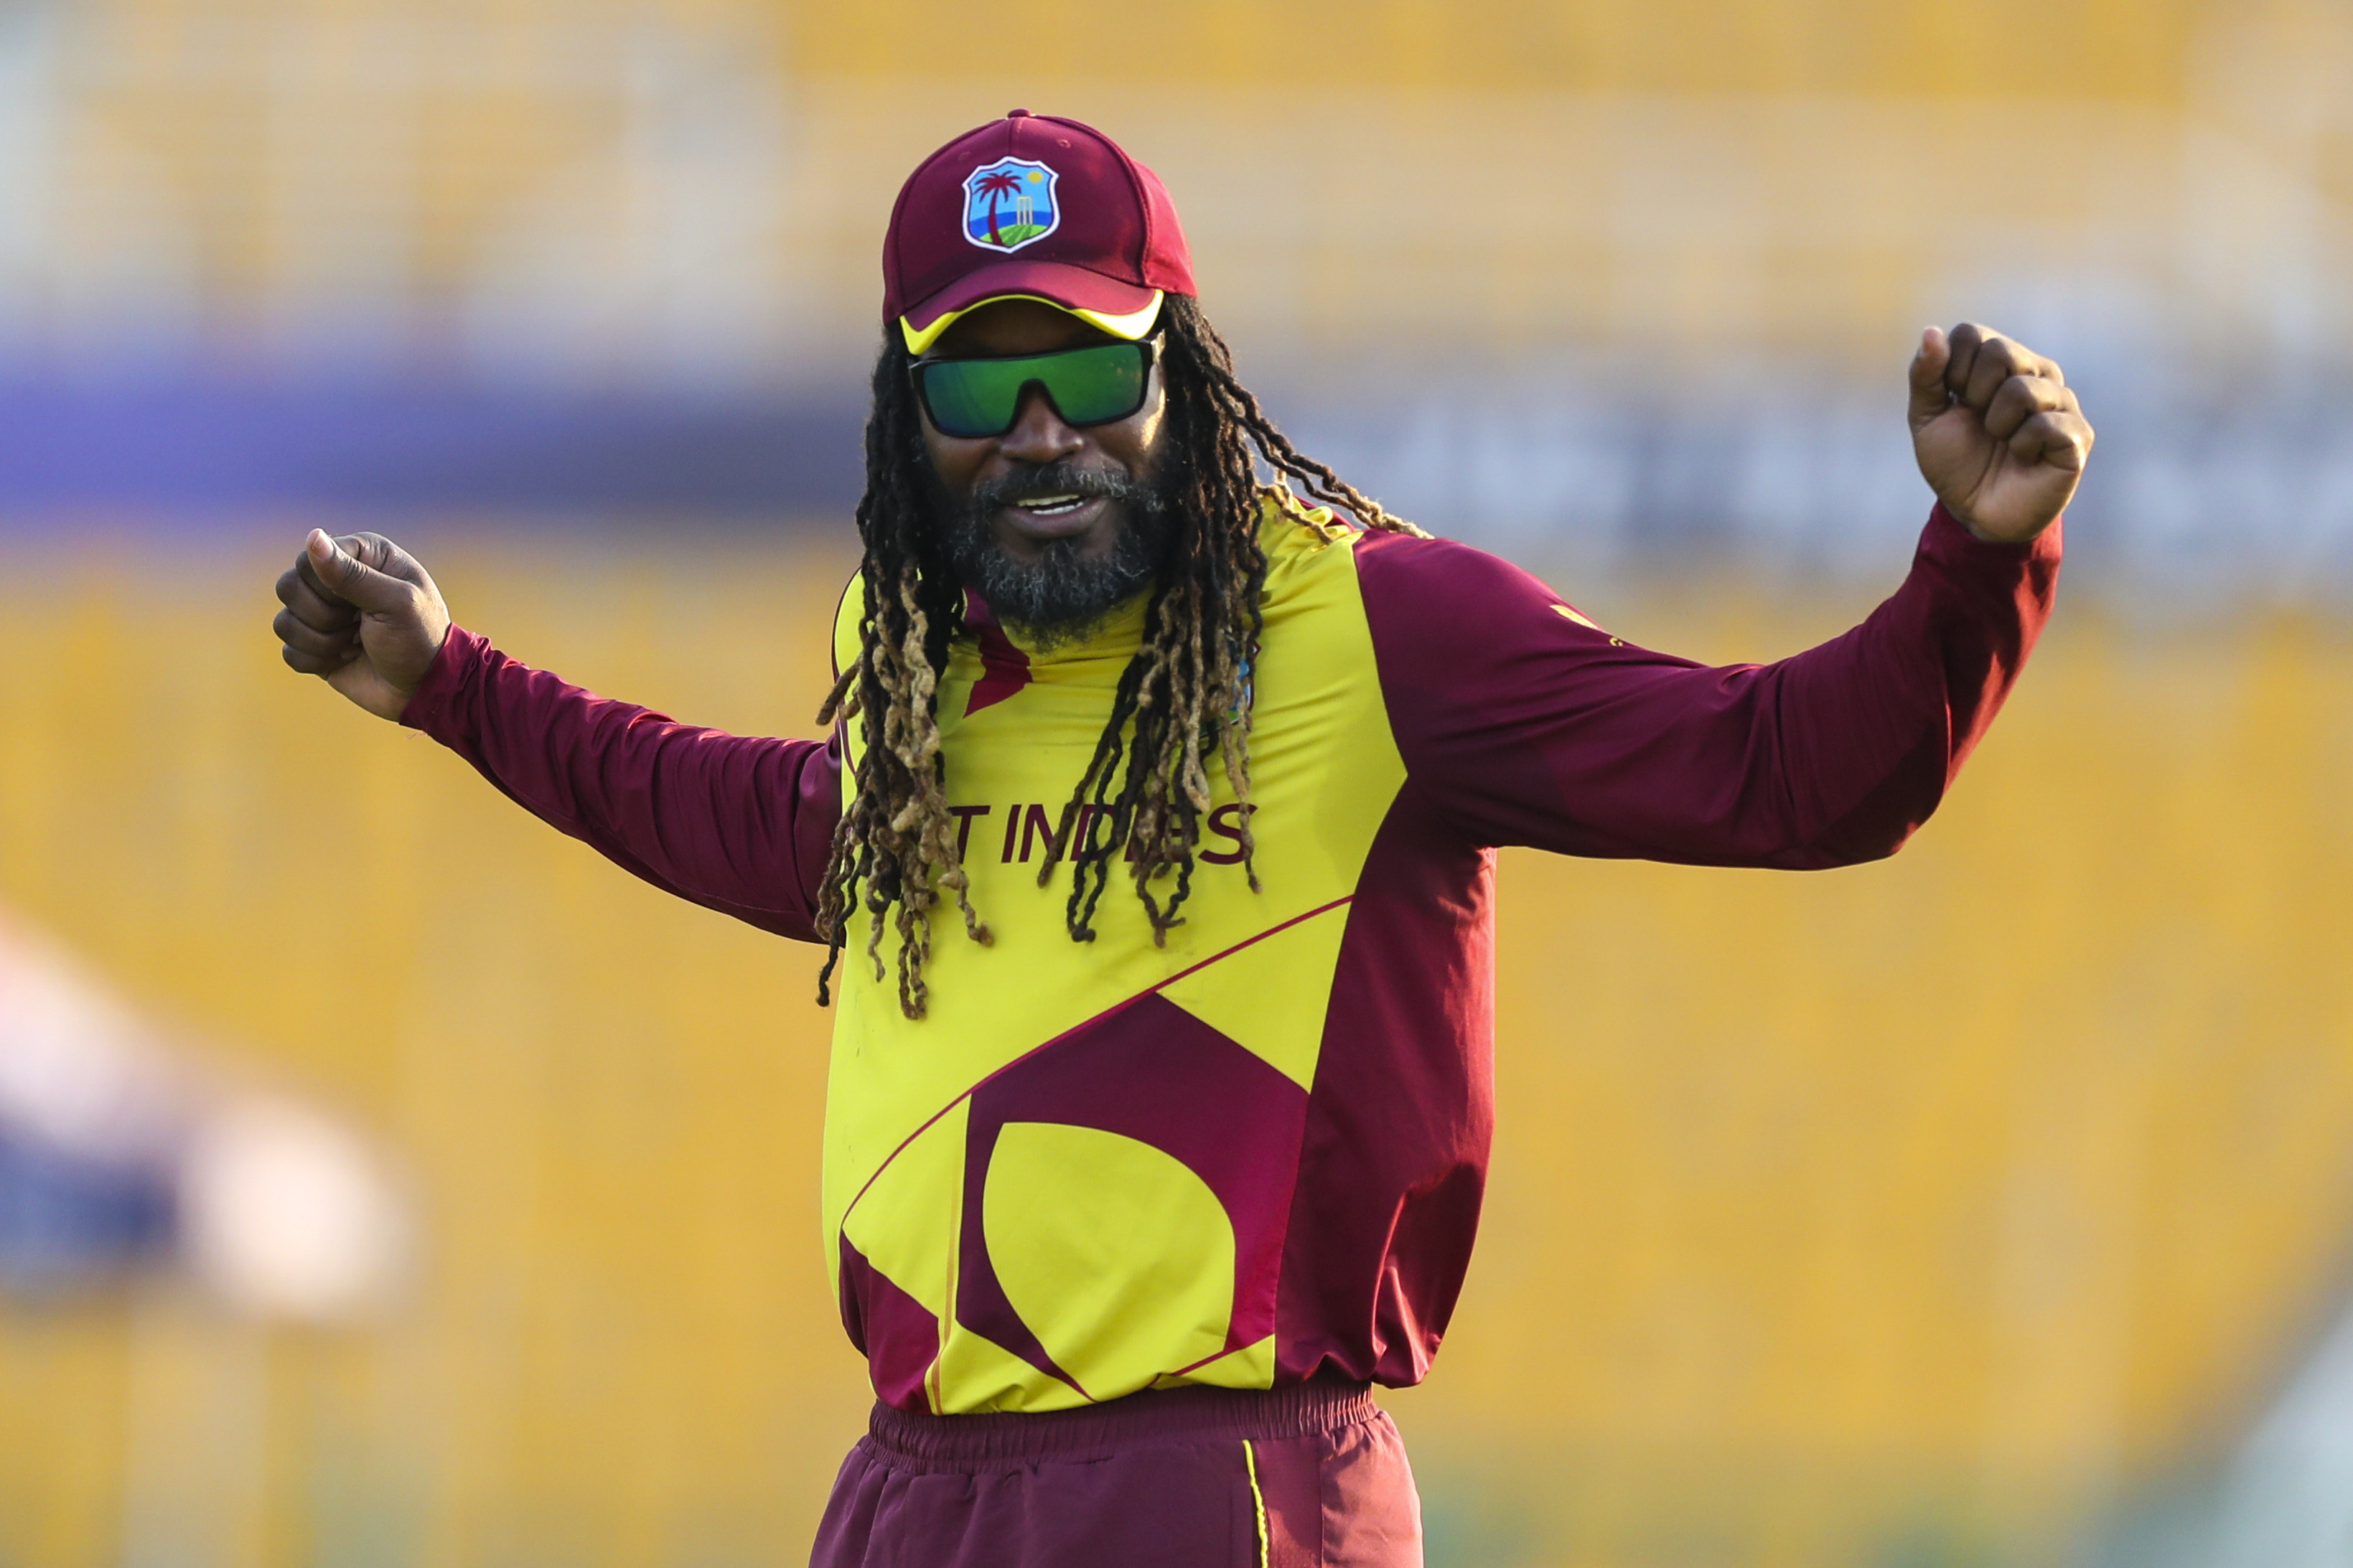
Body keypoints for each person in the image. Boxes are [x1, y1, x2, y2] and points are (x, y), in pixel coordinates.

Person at [271, 111, 2087, 1567]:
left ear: (1184, 370)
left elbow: (1784, 775)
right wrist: (459, 689)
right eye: (978, 387)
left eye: (1083, 362)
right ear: (909, 417)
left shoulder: (1383, 633)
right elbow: (790, 831)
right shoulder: (908, 661)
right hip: (910, 1493)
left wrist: (1973, 563)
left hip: (1219, 1495)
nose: (1040, 431)